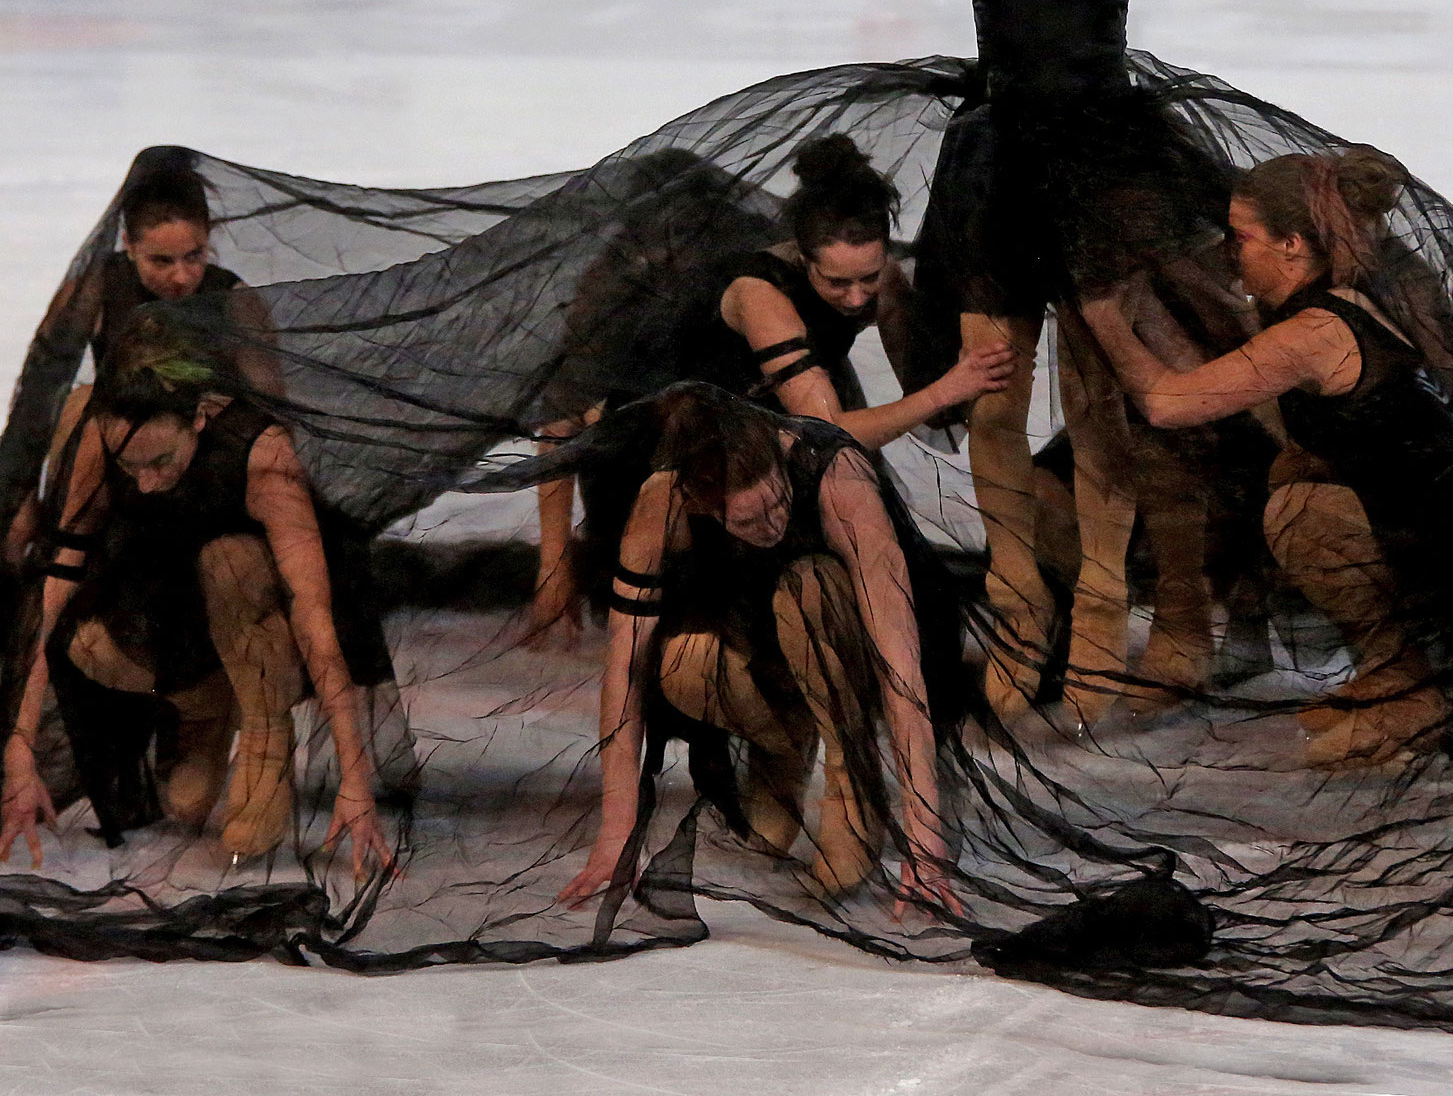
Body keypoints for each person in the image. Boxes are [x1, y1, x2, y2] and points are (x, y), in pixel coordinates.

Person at [731, 0, 1364, 724]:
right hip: (996, 179)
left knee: (1107, 419)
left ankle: (1102, 637)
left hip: (1102, 185)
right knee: (988, 416)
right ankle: (1021, 625)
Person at [1083, 147, 1453, 763]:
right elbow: (1220, 380)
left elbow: (1167, 401)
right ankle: (1400, 670)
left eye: (1241, 238)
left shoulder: (1317, 331)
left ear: (1292, 245)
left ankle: (1427, 688)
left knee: (1300, 514)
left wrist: (1099, 312)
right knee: (1296, 479)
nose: (1228, 254)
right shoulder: (1355, 286)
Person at [524, 135, 1014, 644]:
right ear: (803, 257)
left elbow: (923, 400)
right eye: (836, 284)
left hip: (767, 432)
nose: (855, 298)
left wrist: (955, 366)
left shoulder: (877, 277)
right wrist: (554, 563)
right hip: (674, 451)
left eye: (866, 278)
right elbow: (832, 431)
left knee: (894, 589)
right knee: (715, 628)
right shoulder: (757, 294)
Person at [490, 384, 957, 911]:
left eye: (777, 503)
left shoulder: (838, 479)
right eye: (748, 522)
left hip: (854, 645)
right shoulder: (661, 505)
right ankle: (782, 746)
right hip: (763, 644)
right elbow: (623, 672)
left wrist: (924, 836)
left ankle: (851, 771)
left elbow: (900, 665)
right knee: (679, 665)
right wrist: (617, 831)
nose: (774, 524)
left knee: (811, 586)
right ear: (702, 504)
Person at [0, 320, 395, 875]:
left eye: (161, 462)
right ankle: (204, 707)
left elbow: (314, 617)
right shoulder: (104, 432)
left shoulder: (262, 457)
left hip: (259, 618)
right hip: (164, 605)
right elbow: (56, 583)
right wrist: (20, 743)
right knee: (89, 647)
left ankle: (263, 723)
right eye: (129, 466)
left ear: (201, 417)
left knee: (230, 559)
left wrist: (355, 779)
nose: (145, 484)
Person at [3, 157, 274, 567]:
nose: (182, 277)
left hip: (202, 473)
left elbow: (270, 411)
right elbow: (37, 402)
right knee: (80, 403)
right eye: (161, 261)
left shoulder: (233, 301)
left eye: (194, 256)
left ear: (210, 239)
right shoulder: (95, 290)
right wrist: (18, 495)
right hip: (114, 471)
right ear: (128, 244)